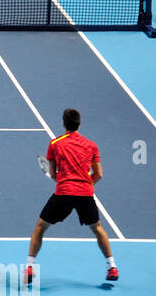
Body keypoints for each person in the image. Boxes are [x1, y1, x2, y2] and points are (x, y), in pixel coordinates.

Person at [26, 109, 118, 286]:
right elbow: (99, 174)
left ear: (63, 123)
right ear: (79, 123)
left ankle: (30, 266)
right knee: (97, 228)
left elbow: (53, 173)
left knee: (40, 227)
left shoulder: (55, 143)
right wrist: (85, 184)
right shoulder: (91, 145)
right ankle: (112, 267)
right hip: (85, 194)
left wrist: (60, 179)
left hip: (64, 193)